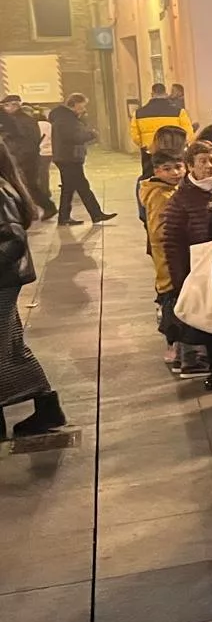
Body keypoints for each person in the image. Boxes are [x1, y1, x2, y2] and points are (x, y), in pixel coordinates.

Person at [0, 141, 63, 438]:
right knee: (10, 346)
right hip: (6, 280)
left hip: (3, 280)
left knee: (4, 349)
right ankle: (46, 406)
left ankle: (46, 407)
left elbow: (11, 238)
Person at [161, 140, 212, 387]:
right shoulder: (182, 199)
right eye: (203, 161)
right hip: (199, 267)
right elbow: (171, 242)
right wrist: (180, 279)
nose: (210, 166)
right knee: (210, 321)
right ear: (190, 166)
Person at [140, 150, 190, 371]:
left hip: (169, 260)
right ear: (156, 171)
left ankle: (176, 346)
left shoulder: (169, 190)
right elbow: (161, 232)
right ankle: (173, 346)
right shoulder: (161, 195)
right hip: (169, 260)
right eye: (167, 169)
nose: (175, 173)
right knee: (171, 303)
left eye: (179, 167)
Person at [49, 94, 114, 225]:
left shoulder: (66, 117)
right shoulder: (66, 119)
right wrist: (92, 134)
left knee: (71, 187)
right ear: (75, 104)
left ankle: (66, 217)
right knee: (80, 187)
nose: (84, 109)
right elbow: (74, 137)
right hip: (69, 157)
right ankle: (95, 214)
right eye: (83, 106)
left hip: (66, 157)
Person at [0, 95, 55, 220]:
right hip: (23, 157)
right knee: (26, 186)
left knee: (29, 186)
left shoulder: (21, 121)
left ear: (14, 105)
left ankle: (46, 207)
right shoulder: (17, 119)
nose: (5, 109)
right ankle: (33, 210)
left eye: (6, 106)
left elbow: (26, 141)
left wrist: (18, 155)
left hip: (25, 158)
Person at [129, 82, 194, 176]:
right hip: (174, 151)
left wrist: (146, 146)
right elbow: (188, 134)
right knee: (175, 177)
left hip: (150, 152)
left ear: (152, 94)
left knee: (150, 178)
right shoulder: (179, 112)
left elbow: (135, 136)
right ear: (166, 94)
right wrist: (181, 146)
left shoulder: (139, 113)